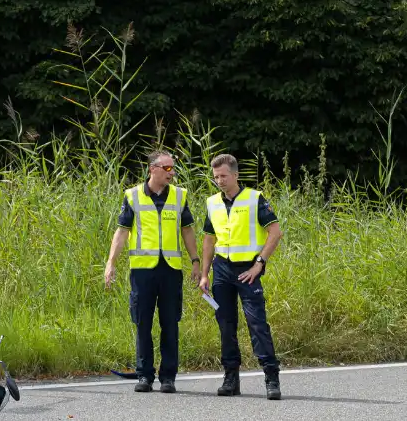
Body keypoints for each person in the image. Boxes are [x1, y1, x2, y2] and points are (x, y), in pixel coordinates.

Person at [105, 150, 201, 393]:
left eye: (173, 168)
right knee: (142, 323)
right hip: (142, 272)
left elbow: (187, 230)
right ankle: (144, 376)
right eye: (167, 168)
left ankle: (168, 377)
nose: (172, 172)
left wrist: (196, 261)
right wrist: (111, 263)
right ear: (152, 169)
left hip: (170, 271)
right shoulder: (133, 195)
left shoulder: (180, 196)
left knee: (170, 323)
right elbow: (122, 231)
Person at [198, 153, 284, 400]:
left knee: (257, 323)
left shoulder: (254, 198)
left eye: (224, 176)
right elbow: (208, 239)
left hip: (247, 270)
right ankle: (231, 377)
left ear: (235, 175)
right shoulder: (212, 202)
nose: (220, 181)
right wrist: (204, 274)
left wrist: (259, 264)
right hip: (221, 270)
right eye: (216, 177)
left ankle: (271, 377)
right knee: (225, 325)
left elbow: (275, 232)